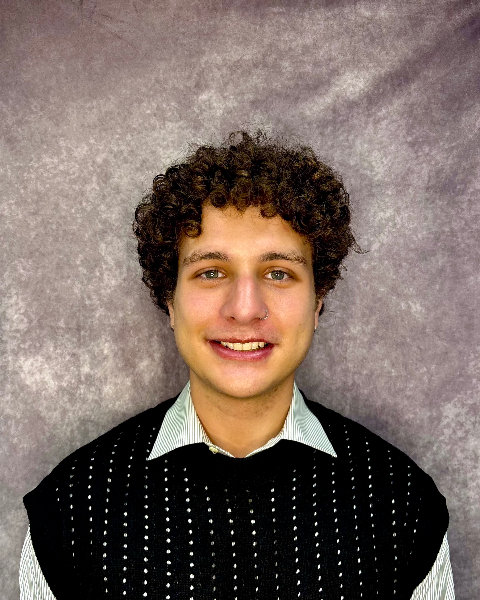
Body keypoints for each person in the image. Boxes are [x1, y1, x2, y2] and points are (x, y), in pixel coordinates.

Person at [20, 131, 454, 599]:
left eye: (278, 273)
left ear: (317, 301)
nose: (245, 309)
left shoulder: (403, 504)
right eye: (211, 272)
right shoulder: (70, 508)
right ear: (170, 300)